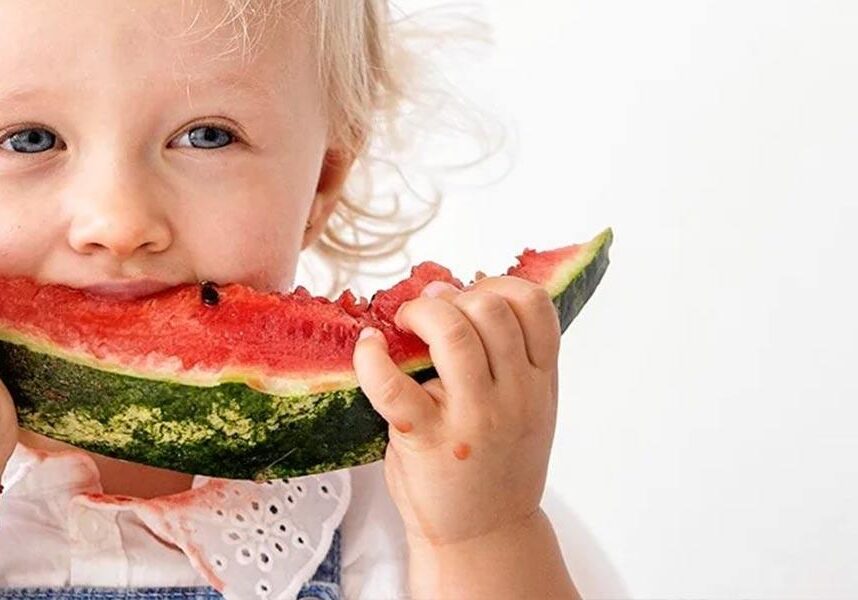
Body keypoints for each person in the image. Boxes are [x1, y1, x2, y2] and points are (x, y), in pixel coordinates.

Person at [0, 1, 581, 598]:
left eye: (207, 136)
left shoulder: (429, 482)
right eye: (27, 139)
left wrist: (486, 538)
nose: (118, 221)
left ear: (323, 183)